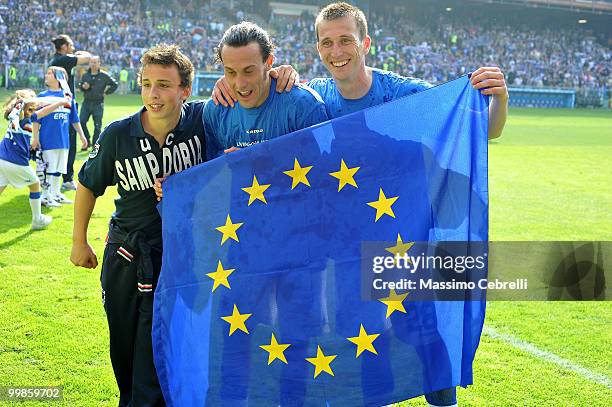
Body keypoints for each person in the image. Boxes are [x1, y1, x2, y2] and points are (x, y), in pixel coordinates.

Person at [212, 3, 508, 406]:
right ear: (317, 48)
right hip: (345, 243)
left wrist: (499, 99)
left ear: (365, 42)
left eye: (345, 40)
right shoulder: (314, 97)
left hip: (401, 237)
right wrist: (261, 77)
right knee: (365, 334)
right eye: (327, 42)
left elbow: (479, 128)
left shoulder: (403, 94)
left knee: (417, 328)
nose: (337, 51)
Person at [70, 43, 207, 407]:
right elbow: (87, 184)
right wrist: (78, 241)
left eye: (164, 84)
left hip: (179, 257)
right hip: (127, 254)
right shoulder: (118, 134)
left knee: (162, 348)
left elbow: (245, 106)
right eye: (146, 84)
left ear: (185, 89)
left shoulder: (203, 121)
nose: (153, 94)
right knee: (126, 345)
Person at [0, 89, 65, 230]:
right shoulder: (20, 115)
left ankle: (38, 219)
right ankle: (38, 219)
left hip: (2, 158)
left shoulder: (29, 117)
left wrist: (60, 102)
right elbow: (23, 106)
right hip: (15, 160)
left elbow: (44, 112)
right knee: (35, 184)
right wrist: (26, 100)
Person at [32, 66, 87, 207]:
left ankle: (55, 193)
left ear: (59, 77)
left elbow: (74, 119)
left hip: (63, 141)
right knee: (48, 169)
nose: (46, 75)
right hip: (48, 139)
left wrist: (82, 136)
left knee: (59, 169)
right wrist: (35, 137)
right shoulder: (42, 97)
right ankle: (46, 196)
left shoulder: (68, 97)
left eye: (50, 73)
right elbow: (36, 119)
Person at [49, 34, 93, 191]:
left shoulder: (56, 60)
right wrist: (78, 54)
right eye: (71, 45)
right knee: (69, 143)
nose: (73, 48)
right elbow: (88, 57)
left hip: (57, 106)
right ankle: (67, 179)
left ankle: (52, 180)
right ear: (64, 47)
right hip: (65, 107)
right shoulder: (63, 60)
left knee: (58, 144)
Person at [79, 56, 118, 147]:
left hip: (98, 103)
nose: (93, 64)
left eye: (95, 62)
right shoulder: (85, 75)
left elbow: (114, 84)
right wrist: (83, 87)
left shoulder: (104, 75)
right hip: (86, 102)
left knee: (97, 125)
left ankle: (94, 144)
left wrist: (107, 92)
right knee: (82, 122)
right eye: (91, 62)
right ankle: (87, 141)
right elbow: (80, 85)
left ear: (99, 63)